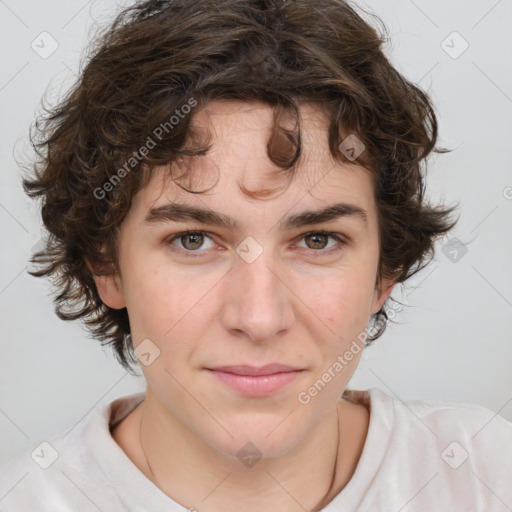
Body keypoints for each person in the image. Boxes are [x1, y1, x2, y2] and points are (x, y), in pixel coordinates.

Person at [1, 0, 511, 510]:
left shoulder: (484, 474)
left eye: (317, 240)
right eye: (193, 240)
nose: (260, 317)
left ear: (385, 270)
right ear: (106, 266)